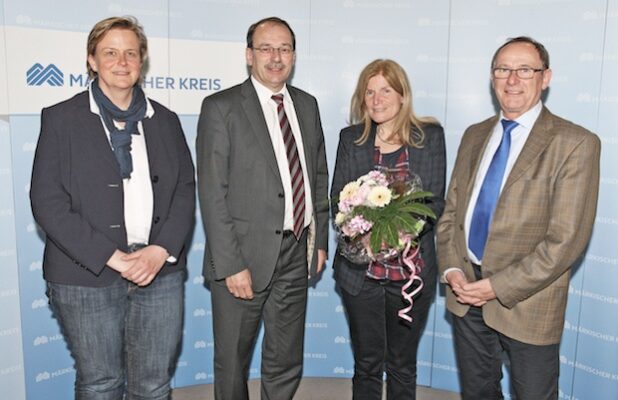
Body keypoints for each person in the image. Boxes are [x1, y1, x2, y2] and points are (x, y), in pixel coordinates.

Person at [30, 16, 195, 399]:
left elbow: (185, 190)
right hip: (84, 276)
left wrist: (160, 250)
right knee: (100, 383)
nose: (122, 62)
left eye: (130, 53)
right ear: (91, 60)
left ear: (142, 61)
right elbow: (47, 202)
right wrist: (112, 257)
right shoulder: (61, 119)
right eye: (110, 53)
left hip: (159, 274)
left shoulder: (165, 121)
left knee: (153, 385)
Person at [436, 36, 600, 400]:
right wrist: (451, 271)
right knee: (478, 393)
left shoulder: (575, 143)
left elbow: (565, 241)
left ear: (546, 77)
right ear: (492, 77)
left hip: (528, 303)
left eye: (525, 70)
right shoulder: (474, 135)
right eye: (502, 70)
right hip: (465, 295)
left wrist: (497, 287)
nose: (512, 80)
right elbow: (450, 215)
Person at [196, 16, 329, 400]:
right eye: (266, 48)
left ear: (294, 56)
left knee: (285, 358)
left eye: (284, 48)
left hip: (295, 252)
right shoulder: (221, 108)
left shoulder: (307, 105)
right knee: (232, 361)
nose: (276, 57)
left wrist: (317, 241)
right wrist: (230, 263)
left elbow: (317, 174)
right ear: (249, 55)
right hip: (243, 257)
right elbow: (211, 191)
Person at [331, 59, 446, 400]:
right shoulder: (351, 138)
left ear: (402, 95)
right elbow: (339, 197)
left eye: (385, 90)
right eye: (369, 91)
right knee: (366, 363)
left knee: (401, 363)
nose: (377, 99)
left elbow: (434, 202)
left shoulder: (429, 138)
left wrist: (400, 231)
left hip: (411, 276)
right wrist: (365, 233)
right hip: (361, 275)